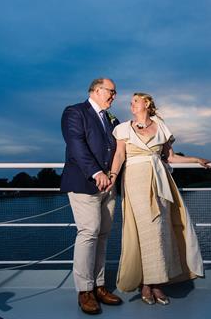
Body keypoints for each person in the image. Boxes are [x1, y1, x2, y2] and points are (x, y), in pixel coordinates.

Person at [108, 92, 211, 305]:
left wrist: (195, 159)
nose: (132, 104)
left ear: (147, 103)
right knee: (145, 230)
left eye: (136, 101)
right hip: (135, 181)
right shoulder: (123, 128)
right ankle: (146, 283)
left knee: (161, 229)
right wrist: (112, 177)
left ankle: (157, 284)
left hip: (160, 181)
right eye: (131, 102)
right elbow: (119, 156)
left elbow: (170, 157)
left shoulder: (161, 126)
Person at [60, 78, 123, 315]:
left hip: (109, 186)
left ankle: (99, 286)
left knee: (103, 235)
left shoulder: (110, 119)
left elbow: (116, 148)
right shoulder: (75, 112)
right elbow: (76, 144)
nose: (114, 96)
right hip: (84, 183)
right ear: (97, 90)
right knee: (88, 233)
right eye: (111, 91)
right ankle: (84, 291)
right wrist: (96, 172)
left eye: (115, 93)